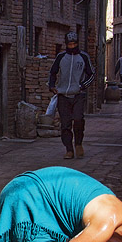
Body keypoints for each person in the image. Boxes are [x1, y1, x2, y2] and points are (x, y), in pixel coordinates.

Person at [47, 32, 94, 160]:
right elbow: (53, 72)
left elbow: (91, 74)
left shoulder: (83, 57)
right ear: (66, 44)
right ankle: (69, 149)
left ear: (77, 43)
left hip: (78, 94)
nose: (72, 46)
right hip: (63, 95)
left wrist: (82, 86)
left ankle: (78, 143)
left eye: (74, 44)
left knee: (78, 119)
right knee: (65, 124)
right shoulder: (61, 57)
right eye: (70, 44)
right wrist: (52, 86)